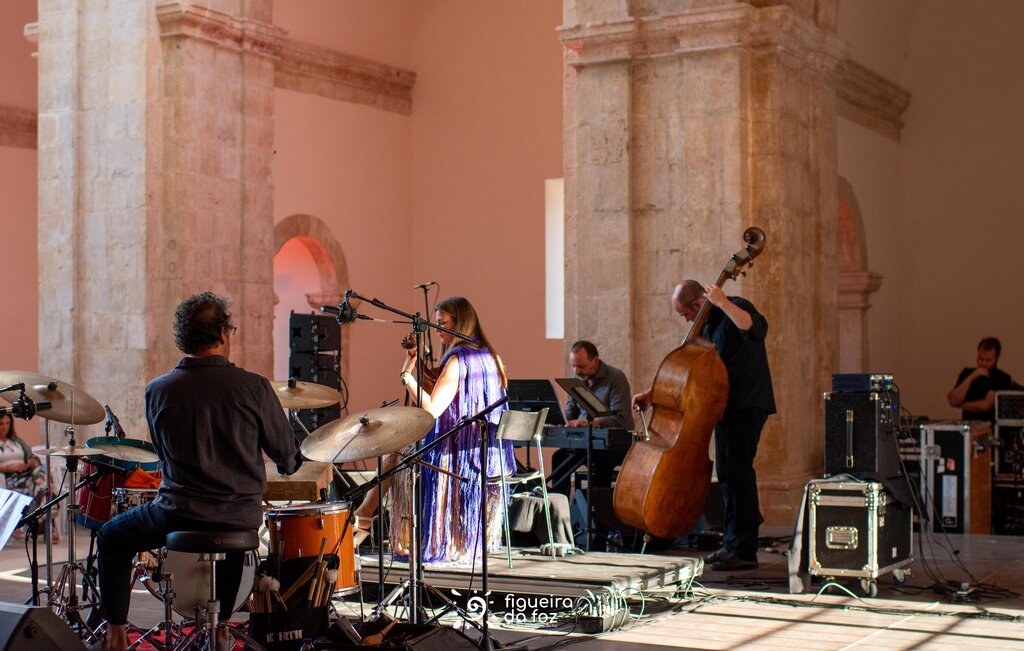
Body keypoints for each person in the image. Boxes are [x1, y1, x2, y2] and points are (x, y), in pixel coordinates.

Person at [94, 292, 301, 651]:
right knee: (233, 525)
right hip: (239, 517)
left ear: (182, 338)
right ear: (222, 333)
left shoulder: (158, 390)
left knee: (111, 537)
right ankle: (221, 630)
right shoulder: (254, 387)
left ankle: (115, 638)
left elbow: (164, 457)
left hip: (177, 513)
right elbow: (287, 457)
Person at [353, 296, 514, 566]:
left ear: (459, 323)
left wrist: (407, 377)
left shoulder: (458, 360)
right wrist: (415, 360)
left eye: (443, 323)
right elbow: (444, 386)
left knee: (393, 449)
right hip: (482, 452)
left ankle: (365, 516)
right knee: (398, 448)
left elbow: (432, 410)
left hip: (454, 453)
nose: (437, 329)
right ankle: (365, 514)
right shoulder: (488, 356)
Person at [633, 280, 775, 571]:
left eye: (685, 313)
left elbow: (756, 329)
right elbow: (690, 371)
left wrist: (722, 301)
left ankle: (744, 550)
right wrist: (652, 393)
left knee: (738, 473)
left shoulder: (735, 307)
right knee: (728, 474)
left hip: (747, 404)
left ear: (697, 304)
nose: (686, 320)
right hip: (723, 408)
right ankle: (732, 544)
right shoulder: (706, 328)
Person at [551, 341, 631, 498]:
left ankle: (596, 507)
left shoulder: (616, 378)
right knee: (560, 457)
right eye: (574, 366)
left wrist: (592, 423)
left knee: (601, 460)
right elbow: (571, 410)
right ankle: (560, 505)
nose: (576, 371)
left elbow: (620, 419)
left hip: (614, 444)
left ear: (595, 361)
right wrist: (559, 419)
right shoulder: (577, 379)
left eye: (581, 366)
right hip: (586, 442)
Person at [0, 413, 50, 539]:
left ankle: (36, 512)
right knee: (35, 485)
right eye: (1, 424)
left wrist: (32, 462)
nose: (5, 427)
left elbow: (34, 457)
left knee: (43, 468)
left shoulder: (17, 441)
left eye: (7, 423)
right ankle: (46, 505)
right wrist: (10, 467)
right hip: (8, 478)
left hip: (27, 474)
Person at [947, 337, 1014, 423]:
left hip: (989, 426)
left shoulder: (1002, 378)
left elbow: (985, 405)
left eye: (988, 360)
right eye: (980, 359)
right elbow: (953, 400)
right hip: (968, 424)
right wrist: (972, 377)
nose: (984, 363)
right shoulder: (967, 372)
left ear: (996, 358)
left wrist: (962, 405)